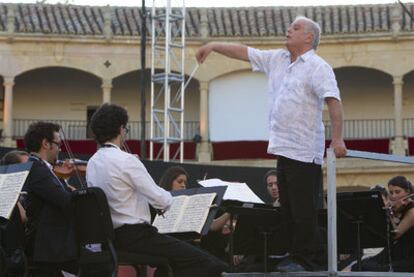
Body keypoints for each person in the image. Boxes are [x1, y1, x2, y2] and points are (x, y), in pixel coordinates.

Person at [196, 15, 347, 272]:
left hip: (303, 149)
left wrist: (338, 138)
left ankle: (310, 260)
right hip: (283, 147)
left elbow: (334, 100)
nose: (289, 29)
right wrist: (213, 46)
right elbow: (244, 52)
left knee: (303, 211)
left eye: (296, 27)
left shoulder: (318, 67)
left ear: (309, 37)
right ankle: (294, 255)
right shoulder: (277, 59)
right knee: (287, 209)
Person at [86, 103, 228, 277]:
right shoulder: (127, 161)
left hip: (111, 238)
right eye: (126, 129)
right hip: (137, 236)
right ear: (121, 128)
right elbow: (163, 201)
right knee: (209, 263)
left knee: (175, 264)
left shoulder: (92, 163)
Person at [21, 122, 78, 276]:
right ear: (46, 144)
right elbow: (64, 200)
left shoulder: (41, 167)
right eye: (58, 144)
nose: (60, 149)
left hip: (49, 243)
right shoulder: (37, 169)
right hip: (46, 246)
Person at [351, 176, 414, 272]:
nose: (393, 196)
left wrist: (389, 213)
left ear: (408, 192)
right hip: (396, 253)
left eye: (398, 192)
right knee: (356, 266)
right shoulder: (399, 209)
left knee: (364, 268)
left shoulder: (412, 210)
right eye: (391, 193)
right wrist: (394, 213)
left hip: (408, 259)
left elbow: (395, 234)